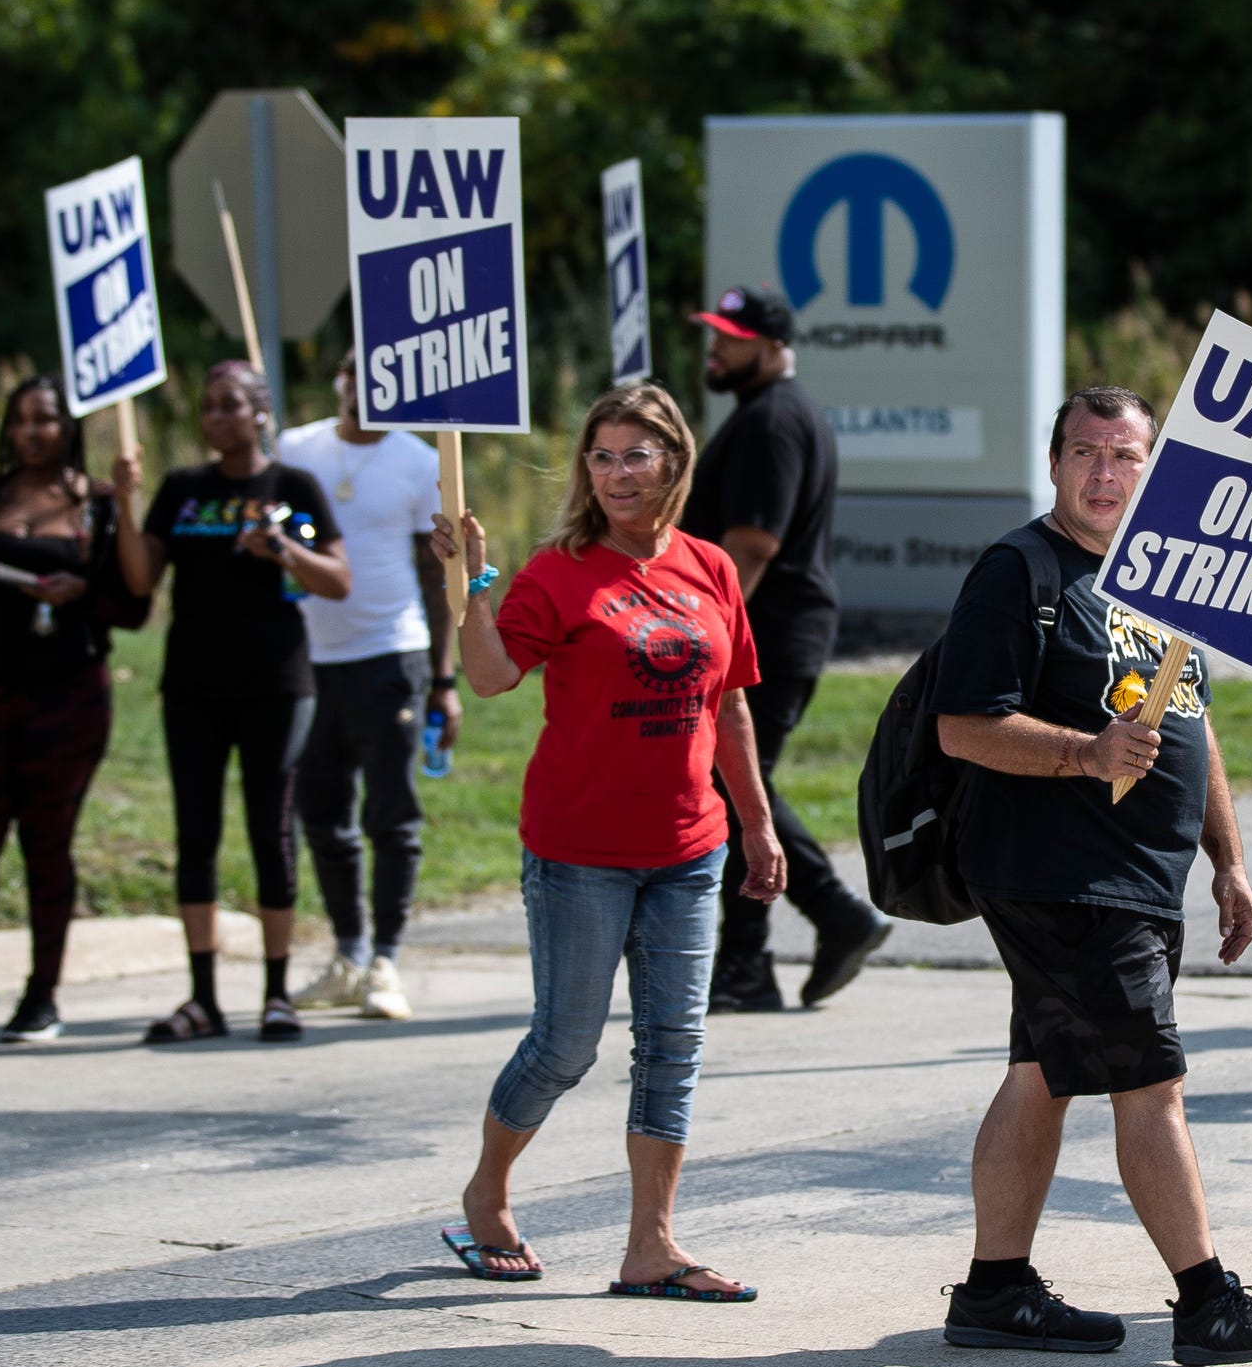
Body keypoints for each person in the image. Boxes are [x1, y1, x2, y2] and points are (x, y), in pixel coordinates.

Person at [930, 385, 1252, 1367]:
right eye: (1086, 452)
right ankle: (1207, 1302)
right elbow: (963, 724)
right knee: (1151, 1081)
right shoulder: (1019, 571)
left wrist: (1227, 858)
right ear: (1054, 461)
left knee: (1042, 1073)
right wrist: (1083, 756)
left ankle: (996, 1288)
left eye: (1126, 455)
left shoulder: (1165, 580)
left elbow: (1193, 724)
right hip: (1065, 876)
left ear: (1154, 470)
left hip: (1139, 878)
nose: (1105, 473)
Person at [430, 382, 786, 1300]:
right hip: (579, 850)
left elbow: (732, 702)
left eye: (636, 455)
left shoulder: (709, 566)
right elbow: (491, 676)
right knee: (566, 1045)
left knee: (673, 1045)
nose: (617, 473)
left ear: (674, 462)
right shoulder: (558, 571)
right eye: (601, 456)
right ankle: (487, 1192)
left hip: (688, 848)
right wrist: (468, 585)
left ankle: (651, 1247)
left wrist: (755, 822)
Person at [0, 374, 152, 1043]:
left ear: (69, 426)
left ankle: (42, 992)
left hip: (68, 698)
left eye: (45, 419)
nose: (32, 431)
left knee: (48, 844)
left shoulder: (97, 504)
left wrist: (87, 583)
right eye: (20, 420)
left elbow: (134, 603)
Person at [127, 361, 349, 1044]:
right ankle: (202, 998)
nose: (217, 417)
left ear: (261, 411)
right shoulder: (183, 489)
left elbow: (337, 580)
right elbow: (140, 579)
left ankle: (277, 993)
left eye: (232, 405)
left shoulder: (293, 487)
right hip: (192, 687)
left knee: (269, 830)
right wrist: (118, 505)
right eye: (208, 406)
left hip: (276, 685)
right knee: (197, 833)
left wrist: (282, 548)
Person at [683, 286, 890, 1012]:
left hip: (764, 633)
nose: (715, 349)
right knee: (736, 782)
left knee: (736, 783)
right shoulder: (766, 414)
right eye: (713, 334)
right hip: (768, 630)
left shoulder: (773, 423)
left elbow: (751, 548)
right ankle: (767, 952)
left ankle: (798, 935)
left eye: (729, 338)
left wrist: (696, 633)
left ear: (770, 347)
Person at [277, 350, 458, 1022]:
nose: (362, 385)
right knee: (320, 813)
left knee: (393, 812)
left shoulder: (418, 460)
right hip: (309, 657)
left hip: (392, 653)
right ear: (338, 379)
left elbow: (437, 579)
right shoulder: (296, 448)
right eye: (353, 371)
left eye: (377, 373)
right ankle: (348, 954)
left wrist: (442, 678)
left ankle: (386, 959)